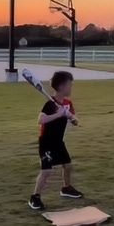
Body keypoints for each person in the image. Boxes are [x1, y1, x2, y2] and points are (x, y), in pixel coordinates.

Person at [28, 71, 82, 211]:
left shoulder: (68, 103)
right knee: (46, 171)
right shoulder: (50, 104)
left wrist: (72, 119)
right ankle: (35, 197)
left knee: (68, 165)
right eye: (70, 85)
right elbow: (41, 120)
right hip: (46, 141)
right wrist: (59, 114)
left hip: (59, 141)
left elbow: (74, 119)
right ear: (62, 86)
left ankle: (66, 188)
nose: (71, 88)